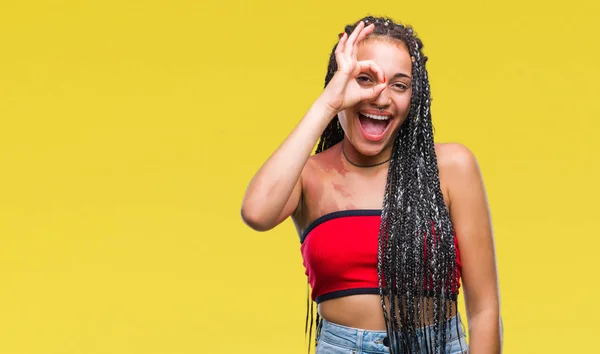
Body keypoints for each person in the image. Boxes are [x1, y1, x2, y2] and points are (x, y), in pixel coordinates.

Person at [241, 15, 502, 354]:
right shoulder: (308, 175)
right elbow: (256, 212)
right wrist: (329, 102)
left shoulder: (451, 167)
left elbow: (484, 311)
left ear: (414, 98)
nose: (381, 98)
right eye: (364, 79)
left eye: (400, 84)